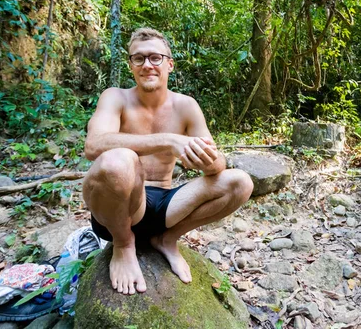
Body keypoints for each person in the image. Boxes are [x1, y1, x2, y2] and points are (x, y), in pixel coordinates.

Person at [82, 27, 254, 295]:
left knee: (240, 182)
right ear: (131, 65)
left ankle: (166, 239)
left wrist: (207, 161)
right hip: (121, 209)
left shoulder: (186, 106)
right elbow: (94, 145)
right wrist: (169, 141)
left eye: (155, 58)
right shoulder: (115, 97)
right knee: (119, 160)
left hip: (166, 208)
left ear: (170, 64)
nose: (147, 65)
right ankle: (124, 244)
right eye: (138, 58)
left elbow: (217, 163)